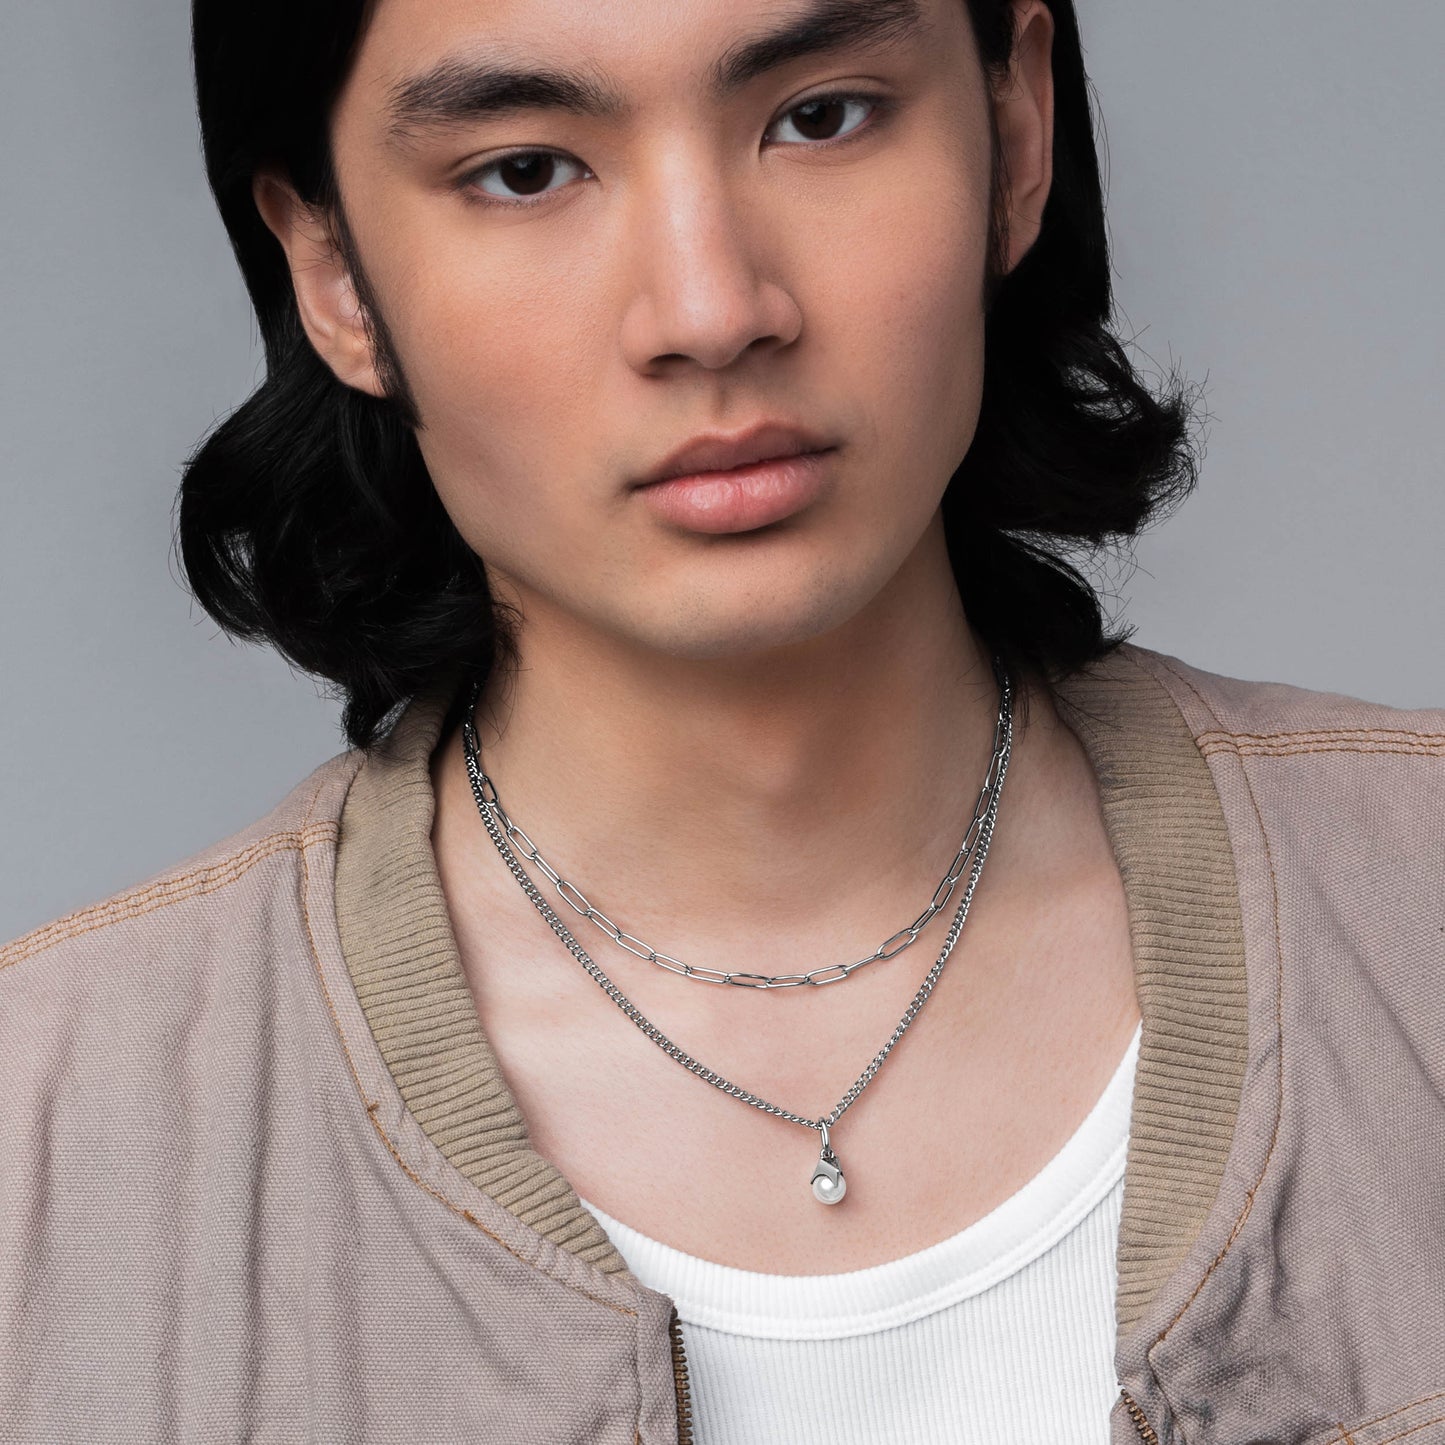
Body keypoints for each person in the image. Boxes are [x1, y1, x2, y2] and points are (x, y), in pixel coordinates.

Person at [1, 0, 1441, 1440]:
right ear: (331, 270)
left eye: (819, 117)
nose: (709, 311)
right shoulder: (49, 1139)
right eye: (525, 171)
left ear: (1014, 129)